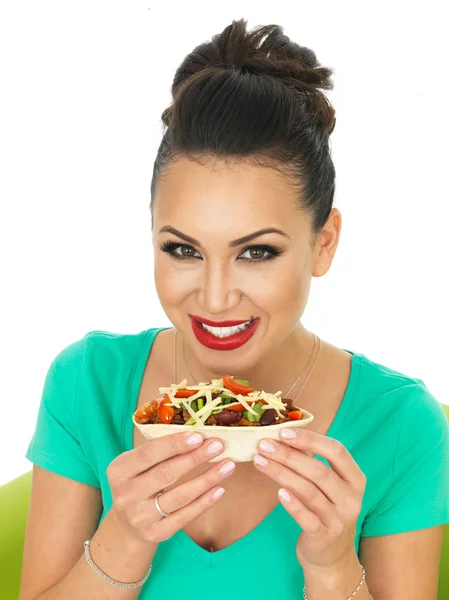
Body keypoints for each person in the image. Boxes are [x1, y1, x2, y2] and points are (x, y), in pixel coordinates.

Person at [20, 18, 449, 600]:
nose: (216, 297)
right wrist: (125, 536)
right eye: (183, 249)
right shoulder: (87, 383)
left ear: (324, 243)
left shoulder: (401, 425)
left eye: (256, 252)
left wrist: (331, 568)